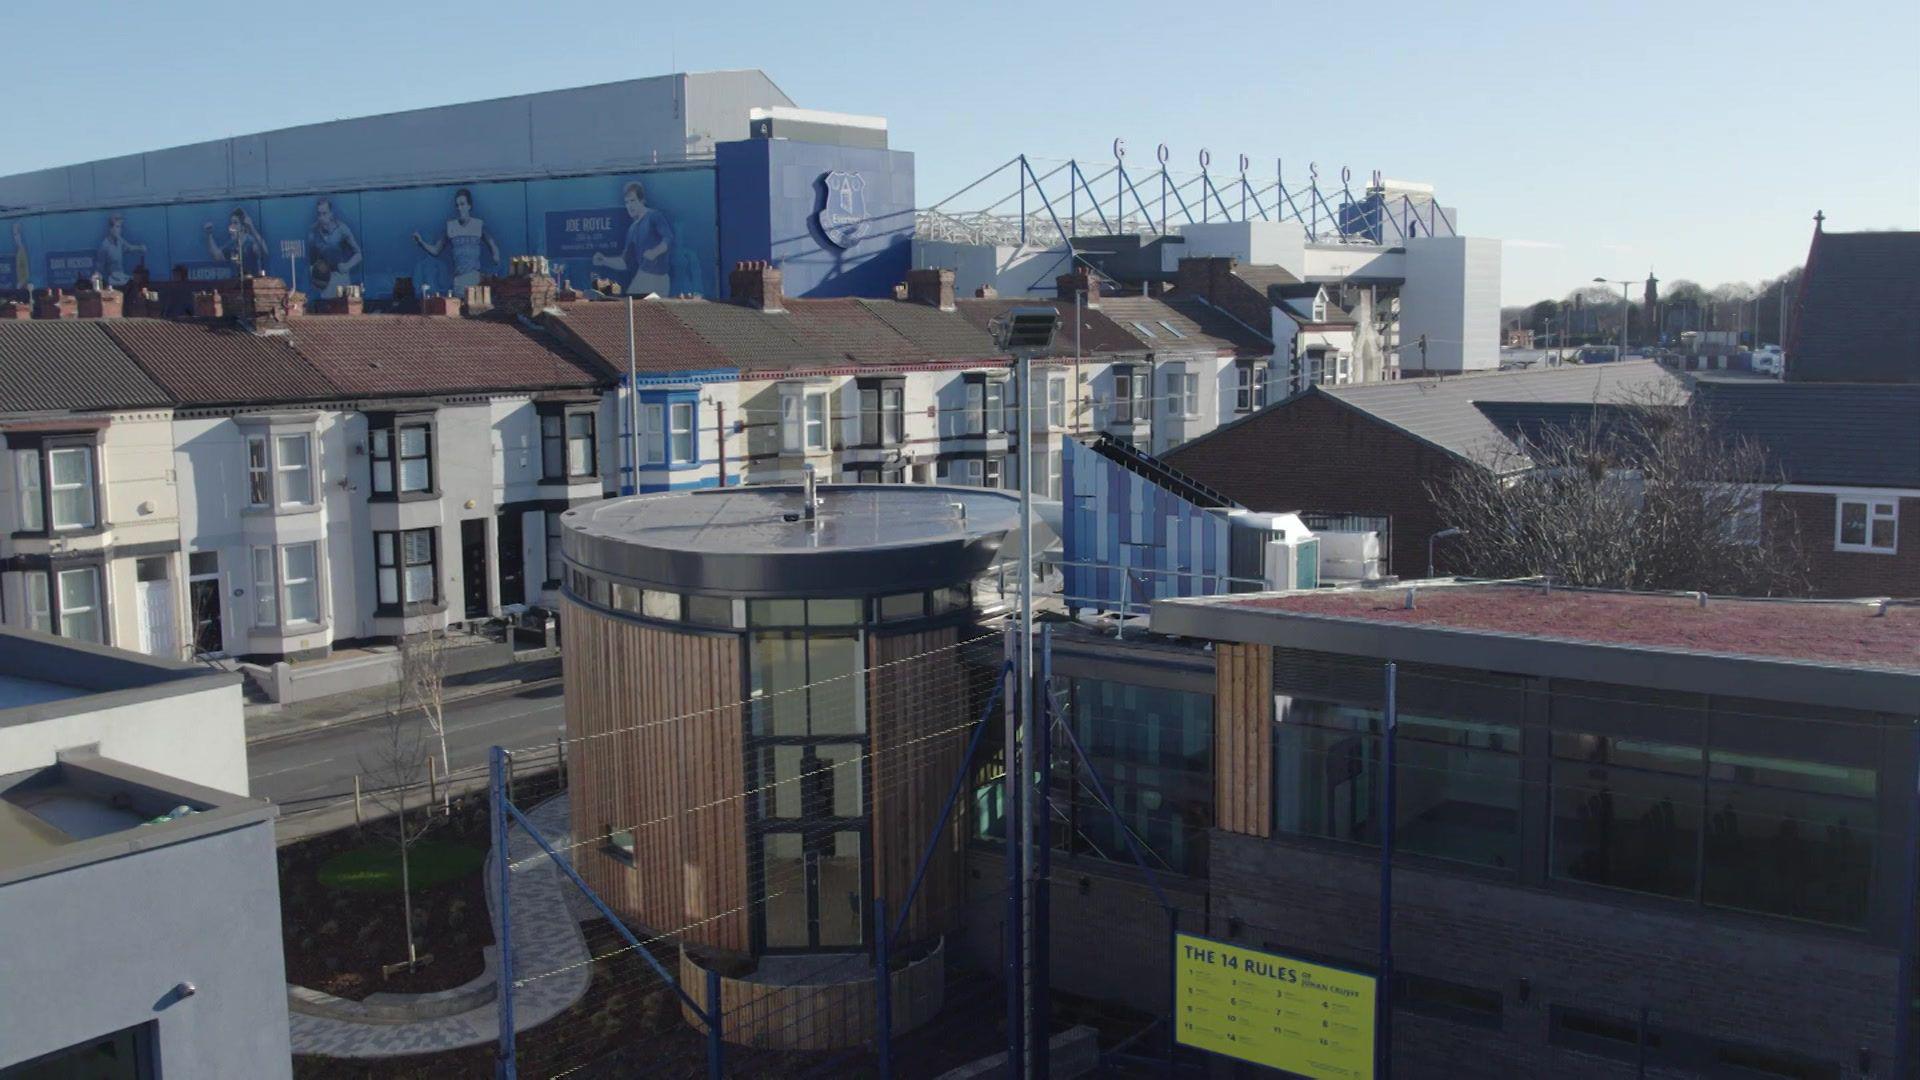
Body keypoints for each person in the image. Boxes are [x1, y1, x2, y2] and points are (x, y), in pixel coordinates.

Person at [591, 181, 672, 296]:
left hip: (659, 279)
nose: (629, 205)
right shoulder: (632, 229)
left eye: (633, 201)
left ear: (642, 200)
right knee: (630, 307)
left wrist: (655, 251)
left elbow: (668, 239)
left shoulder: (654, 216)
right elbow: (625, 263)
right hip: (643, 276)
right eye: (627, 202)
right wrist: (604, 260)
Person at [412, 187, 500, 290]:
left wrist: (496, 257)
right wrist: (421, 242)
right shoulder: (451, 227)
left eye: (462, 204)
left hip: (475, 278)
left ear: (469, 206)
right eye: (457, 205)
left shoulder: (478, 225)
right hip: (458, 279)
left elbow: (492, 245)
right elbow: (436, 250)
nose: (459, 208)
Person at [306, 198, 362, 298]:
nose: (321, 217)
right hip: (325, 281)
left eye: (325, 213)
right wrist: (315, 277)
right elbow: (312, 260)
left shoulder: (342, 229)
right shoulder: (313, 232)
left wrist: (347, 266)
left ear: (331, 213)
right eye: (319, 214)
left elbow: (358, 254)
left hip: (341, 279)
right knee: (328, 310)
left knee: (344, 308)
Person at [203, 207, 268, 276]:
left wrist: (251, 228)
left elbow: (265, 252)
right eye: (231, 223)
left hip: (254, 284)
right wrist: (209, 235)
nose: (232, 226)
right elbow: (218, 257)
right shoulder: (232, 245)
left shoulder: (251, 243)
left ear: (243, 226)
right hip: (237, 284)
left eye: (235, 223)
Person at [94, 214, 148, 288]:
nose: (119, 230)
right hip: (112, 282)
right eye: (117, 227)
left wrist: (140, 248)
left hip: (122, 278)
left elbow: (129, 247)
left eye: (120, 227)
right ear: (110, 228)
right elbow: (99, 269)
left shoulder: (120, 240)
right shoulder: (104, 247)